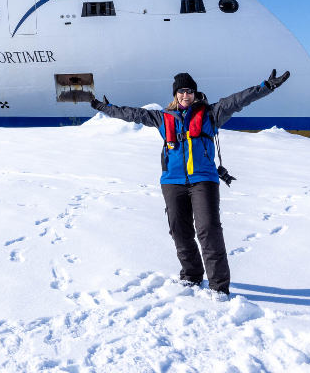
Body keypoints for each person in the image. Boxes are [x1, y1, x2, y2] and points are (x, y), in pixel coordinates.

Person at [92, 69, 291, 296]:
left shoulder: (211, 113)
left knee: (208, 229)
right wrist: (103, 107)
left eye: (190, 91)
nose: (186, 95)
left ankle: (218, 287)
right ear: (175, 94)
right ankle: (192, 275)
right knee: (179, 231)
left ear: (195, 93)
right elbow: (132, 113)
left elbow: (239, 100)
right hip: (172, 181)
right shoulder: (162, 117)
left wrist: (266, 86)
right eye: (182, 91)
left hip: (203, 179)